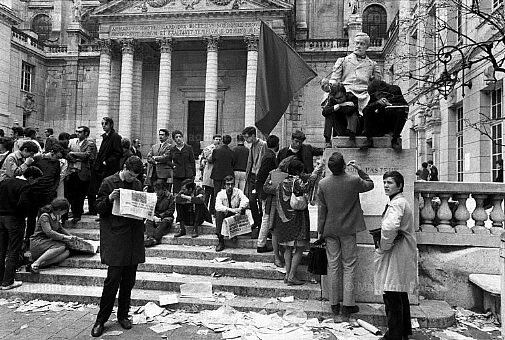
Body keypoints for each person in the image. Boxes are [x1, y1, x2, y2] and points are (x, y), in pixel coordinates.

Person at [91, 156, 145, 337]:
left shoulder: (137, 183)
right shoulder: (108, 182)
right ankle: (101, 320)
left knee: (129, 281)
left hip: (133, 237)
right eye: (130, 175)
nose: (132, 179)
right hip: (115, 236)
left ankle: (123, 315)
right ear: (124, 168)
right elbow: (97, 207)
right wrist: (109, 199)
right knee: (112, 280)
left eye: (135, 176)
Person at [317, 152, 374, 318]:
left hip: (330, 229)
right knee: (349, 265)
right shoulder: (353, 180)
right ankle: (348, 304)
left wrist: (320, 231)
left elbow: (322, 211)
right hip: (348, 229)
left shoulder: (323, 184)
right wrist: (359, 169)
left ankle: (334, 303)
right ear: (344, 166)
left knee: (333, 266)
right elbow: (370, 184)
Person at [375, 171, 417, 340]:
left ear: (399, 186)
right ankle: (404, 332)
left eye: (390, 183)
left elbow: (390, 227)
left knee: (392, 295)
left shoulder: (396, 204)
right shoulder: (399, 201)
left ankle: (394, 335)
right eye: (385, 182)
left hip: (396, 252)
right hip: (402, 251)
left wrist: (383, 246)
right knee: (400, 293)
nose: (386, 185)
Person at [0, 166, 43, 289]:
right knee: (14, 249)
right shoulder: (25, 186)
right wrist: (24, 215)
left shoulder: (4, 182)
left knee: (1, 250)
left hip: (1, 217)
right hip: (14, 219)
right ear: (30, 178)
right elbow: (23, 204)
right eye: (36, 180)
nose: (36, 183)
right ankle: (8, 281)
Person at [274, 160, 315, 286]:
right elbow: (307, 187)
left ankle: (287, 274)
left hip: (284, 219)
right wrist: (314, 176)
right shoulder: (296, 182)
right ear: (298, 171)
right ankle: (292, 275)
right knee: (299, 247)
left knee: (287, 248)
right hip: (297, 218)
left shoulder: (281, 182)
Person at [263, 155, 296, 267]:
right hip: (274, 204)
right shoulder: (273, 173)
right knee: (275, 231)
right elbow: (265, 187)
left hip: (287, 205)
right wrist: (279, 188)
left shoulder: (293, 175)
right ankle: (276, 257)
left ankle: (284, 253)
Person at [29, 198, 78, 273]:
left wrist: (71, 237)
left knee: (67, 252)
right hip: (38, 242)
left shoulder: (57, 216)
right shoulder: (45, 216)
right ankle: (36, 263)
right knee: (61, 246)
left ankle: (39, 265)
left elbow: (60, 229)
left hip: (48, 242)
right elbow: (49, 232)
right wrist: (65, 237)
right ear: (59, 209)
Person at [89, 117, 122, 216]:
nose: (103, 126)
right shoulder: (105, 136)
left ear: (111, 125)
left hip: (108, 169)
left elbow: (118, 153)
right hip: (99, 168)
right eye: (102, 124)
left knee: (106, 190)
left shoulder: (115, 137)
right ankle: (94, 210)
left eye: (106, 124)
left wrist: (107, 162)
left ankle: (105, 212)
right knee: (93, 190)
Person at [364, 79, 409, 150]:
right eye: (377, 96)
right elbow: (367, 109)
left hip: (392, 120)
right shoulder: (373, 96)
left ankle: (395, 138)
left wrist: (390, 104)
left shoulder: (394, 90)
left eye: (379, 94)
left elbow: (404, 106)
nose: (378, 97)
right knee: (367, 111)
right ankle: (369, 138)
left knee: (401, 112)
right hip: (380, 121)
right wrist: (377, 103)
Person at [66, 126, 96, 223]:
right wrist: (76, 156)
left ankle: (77, 214)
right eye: (77, 132)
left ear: (86, 133)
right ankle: (72, 213)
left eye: (80, 132)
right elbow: (67, 153)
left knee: (80, 195)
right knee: (71, 194)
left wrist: (73, 154)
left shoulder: (90, 144)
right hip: (72, 171)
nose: (78, 133)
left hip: (83, 173)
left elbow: (88, 155)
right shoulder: (73, 142)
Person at [255, 135, 279, 253]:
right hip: (266, 193)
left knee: (267, 216)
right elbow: (262, 176)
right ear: (277, 144)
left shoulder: (268, 155)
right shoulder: (270, 157)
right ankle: (261, 244)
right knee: (266, 217)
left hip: (264, 192)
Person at [214, 175, 249, 252]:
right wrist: (229, 209)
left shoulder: (238, 191)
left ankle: (234, 233)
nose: (230, 186)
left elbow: (245, 200)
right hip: (226, 213)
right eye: (228, 184)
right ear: (224, 185)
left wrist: (240, 208)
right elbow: (217, 206)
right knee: (218, 213)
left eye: (232, 184)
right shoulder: (220, 194)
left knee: (243, 208)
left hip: (235, 213)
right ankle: (220, 240)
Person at [243, 126, 267, 237]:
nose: (246, 140)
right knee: (251, 201)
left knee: (260, 201)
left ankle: (261, 225)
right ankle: (257, 222)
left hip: (260, 178)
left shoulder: (263, 145)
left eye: (247, 137)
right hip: (252, 177)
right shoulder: (252, 145)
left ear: (253, 135)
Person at [321, 81, 360, 147]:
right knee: (329, 114)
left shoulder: (352, 98)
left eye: (340, 97)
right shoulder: (333, 100)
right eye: (336, 98)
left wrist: (338, 107)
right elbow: (324, 112)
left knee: (351, 114)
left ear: (345, 94)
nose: (339, 100)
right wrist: (340, 105)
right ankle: (327, 140)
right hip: (340, 128)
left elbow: (349, 111)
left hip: (354, 128)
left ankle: (352, 140)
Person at [144, 182, 175, 247]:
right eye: (155, 190)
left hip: (166, 216)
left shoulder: (170, 197)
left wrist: (161, 216)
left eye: (158, 190)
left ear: (163, 189)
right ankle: (150, 237)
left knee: (164, 223)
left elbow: (171, 211)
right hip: (155, 216)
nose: (157, 192)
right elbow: (151, 208)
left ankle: (154, 238)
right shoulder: (154, 196)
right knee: (149, 222)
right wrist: (154, 216)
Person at [210, 134, 235, 207]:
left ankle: (216, 210)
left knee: (217, 193)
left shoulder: (216, 150)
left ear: (222, 141)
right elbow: (233, 163)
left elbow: (213, 160)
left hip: (217, 173)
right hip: (227, 174)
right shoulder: (232, 152)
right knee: (227, 193)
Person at [201, 134, 222, 215]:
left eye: (219, 139)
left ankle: (211, 211)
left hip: (217, 174)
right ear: (213, 140)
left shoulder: (221, 149)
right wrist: (214, 151)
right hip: (209, 173)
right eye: (216, 139)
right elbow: (208, 159)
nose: (218, 141)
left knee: (215, 195)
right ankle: (204, 210)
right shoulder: (208, 148)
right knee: (207, 194)